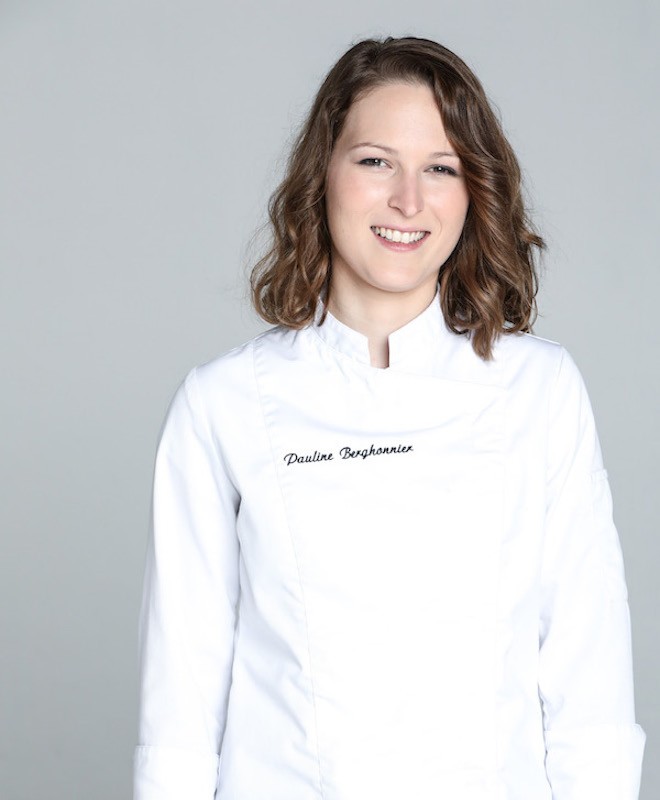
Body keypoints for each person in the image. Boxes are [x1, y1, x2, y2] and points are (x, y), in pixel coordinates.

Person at [133, 36, 646, 799]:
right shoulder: (225, 404)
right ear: (323, 173)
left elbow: (589, 678)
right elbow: (180, 700)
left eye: (441, 168)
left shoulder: (540, 390)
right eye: (376, 161)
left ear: (473, 191)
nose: (409, 200)